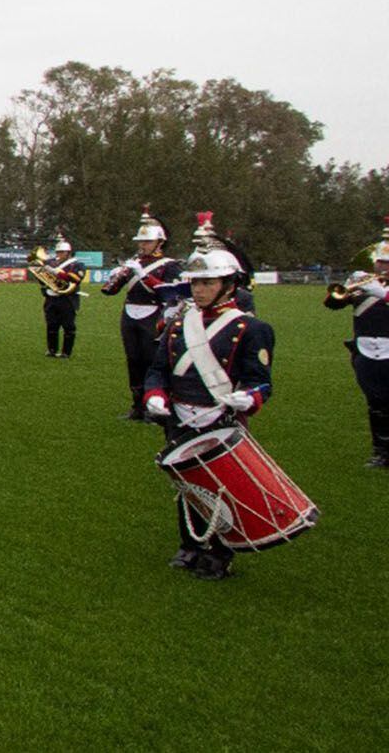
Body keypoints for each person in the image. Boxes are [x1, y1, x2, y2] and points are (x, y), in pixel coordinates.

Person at [143, 241, 276, 580]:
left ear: (228, 285)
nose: (199, 290)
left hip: (220, 417)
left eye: (208, 283)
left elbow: (259, 381)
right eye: (196, 283)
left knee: (223, 487)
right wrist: (155, 395)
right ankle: (190, 544)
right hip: (180, 416)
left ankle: (220, 551)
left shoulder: (250, 328)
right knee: (188, 485)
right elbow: (159, 369)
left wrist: (248, 398)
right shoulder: (178, 324)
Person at [101, 206, 178, 422]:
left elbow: (169, 293)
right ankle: (137, 406)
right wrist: (117, 275)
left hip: (153, 313)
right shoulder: (135, 262)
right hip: (129, 313)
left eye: (146, 242)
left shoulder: (169, 265)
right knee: (133, 360)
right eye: (140, 242)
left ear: (159, 242)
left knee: (151, 360)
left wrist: (143, 275)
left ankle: (155, 405)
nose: (142, 245)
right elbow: (111, 291)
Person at [325, 218, 389, 468]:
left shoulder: (378, 290)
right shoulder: (364, 285)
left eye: (387, 263)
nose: (383, 267)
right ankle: (381, 450)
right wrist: (350, 289)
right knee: (376, 403)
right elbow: (332, 303)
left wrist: (381, 293)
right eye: (380, 262)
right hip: (365, 351)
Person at [38, 232, 87, 358]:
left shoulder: (77, 264)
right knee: (51, 325)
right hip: (51, 298)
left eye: (62, 252)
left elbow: (76, 279)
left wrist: (58, 273)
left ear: (68, 252)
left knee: (68, 326)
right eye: (58, 252)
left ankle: (66, 352)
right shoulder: (51, 262)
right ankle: (52, 350)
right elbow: (42, 279)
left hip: (67, 299)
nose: (59, 254)